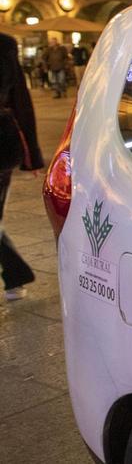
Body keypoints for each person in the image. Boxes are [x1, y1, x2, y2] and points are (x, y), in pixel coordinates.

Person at [0, 32, 44, 301]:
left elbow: (19, 98)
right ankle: (16, 272)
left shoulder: (4, 45)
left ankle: (16, 272)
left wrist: (32, 155)